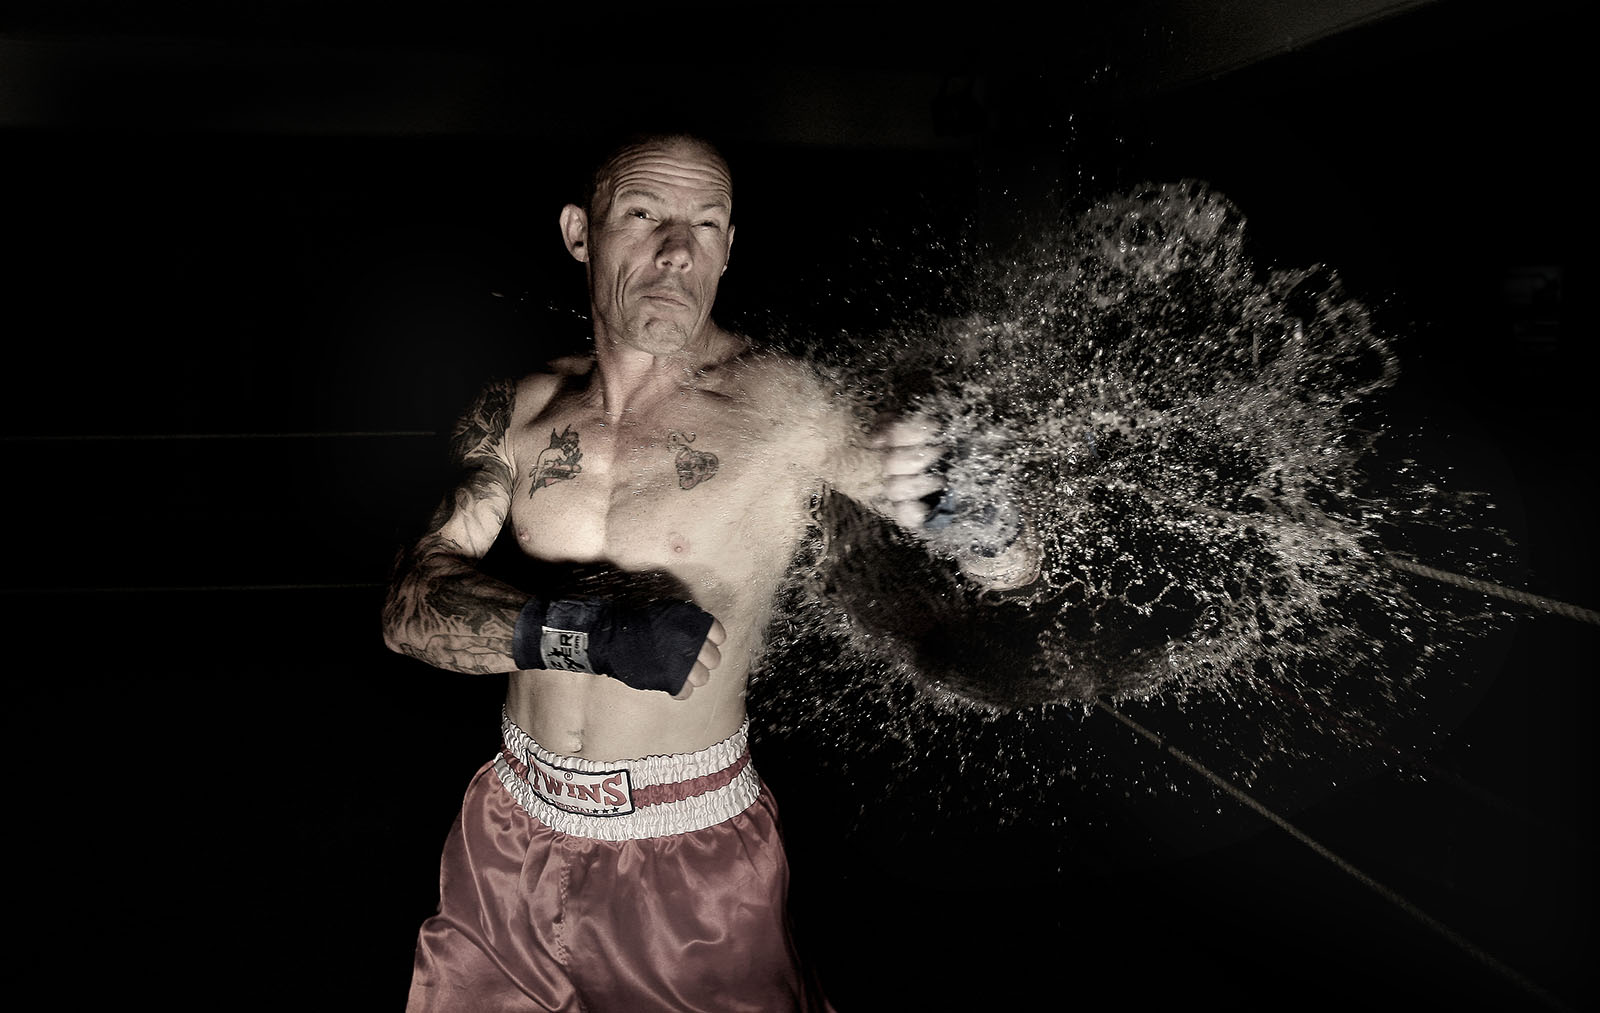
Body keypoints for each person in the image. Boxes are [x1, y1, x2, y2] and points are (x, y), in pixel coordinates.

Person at [382, 132, 1039, 1012]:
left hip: (686, 859)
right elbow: (410, 607)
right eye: (645, 215)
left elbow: (1004, 560)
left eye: (707, 223)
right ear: (582, 233)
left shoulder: (782, 404)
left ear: (730, 246)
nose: (677, 250)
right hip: (508, 830)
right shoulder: (521, 407)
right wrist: (597, 635)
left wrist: (982, 516)